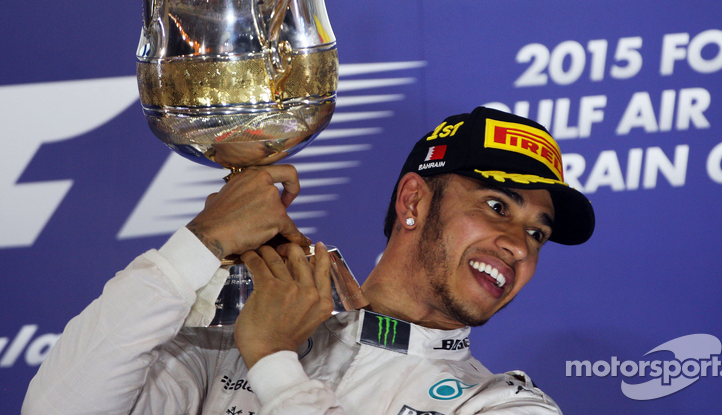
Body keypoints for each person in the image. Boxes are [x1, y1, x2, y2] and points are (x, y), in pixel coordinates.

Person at [23, 106, 595, 415]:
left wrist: (272, 358)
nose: (519, 246)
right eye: (497, 206)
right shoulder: (235, 332)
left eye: (538, 234)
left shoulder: (500, 406)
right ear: (414, 200)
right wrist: (199, 245)